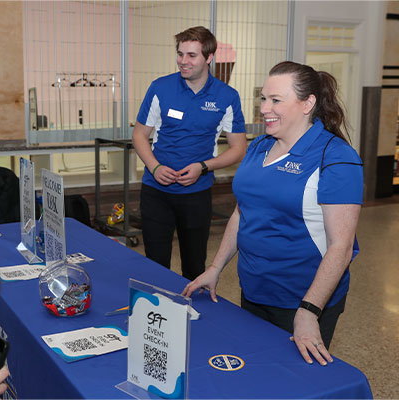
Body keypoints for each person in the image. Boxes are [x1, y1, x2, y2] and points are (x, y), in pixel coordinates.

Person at [183, 61, 363, 366]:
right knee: (255, 372)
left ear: (308, 104)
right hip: (254, 289)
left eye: (275, 100)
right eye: (263, 99)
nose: (265, 108)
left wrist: (308, 310)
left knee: (289, 383)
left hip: (302, 298)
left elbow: (341, 247)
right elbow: (242, 213)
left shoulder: (336, 158)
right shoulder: (259, 148)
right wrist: (215, 268)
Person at [133, 26, 246, 281]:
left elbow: (238, 149)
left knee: (194, 265)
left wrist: (203, 167)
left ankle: (190, 315)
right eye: (180, 53)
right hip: (156, 192)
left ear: (209, 57)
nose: (183, 61)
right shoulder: (160, 88)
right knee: (154, 264)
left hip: (197, 193)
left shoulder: (227, 96)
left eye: (191, 55)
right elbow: (139, 135)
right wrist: (155, 167)